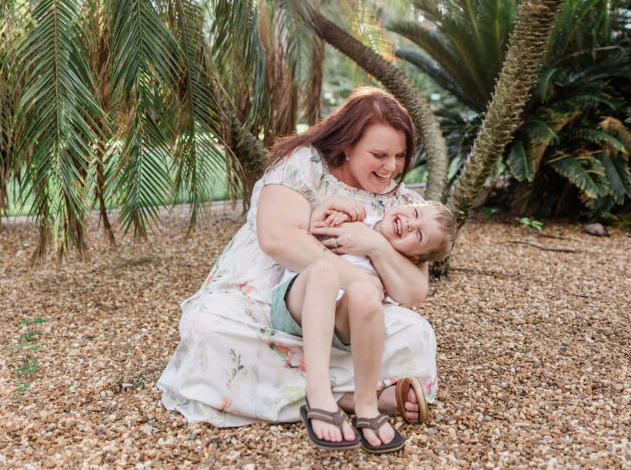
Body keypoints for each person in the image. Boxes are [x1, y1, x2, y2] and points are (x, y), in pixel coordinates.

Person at [158, 87, 440, 447]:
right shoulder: (304, 164)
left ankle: (328, 395)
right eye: (379, 154)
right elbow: (277, 239)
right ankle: (352, 397)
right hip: (274, 288)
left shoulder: (405, 205)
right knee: (210, 329)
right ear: (347, 146)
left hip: (352, 312)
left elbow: (413, 292)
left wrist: (372, 246)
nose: (390, 168)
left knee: (415, 334)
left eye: (400, 156)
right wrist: (355, 276)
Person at [267, 196, 456, 451]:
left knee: (367, 294)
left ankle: (366, 404)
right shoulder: (359, 217)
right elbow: (306, 233)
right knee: (325, 271)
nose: (411, 224)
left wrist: (376, 248)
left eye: (419, 235)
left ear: (414, 258)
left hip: (339, 325)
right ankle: (318, 393)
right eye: (414, 212)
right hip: (299, 304)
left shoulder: (394, 264)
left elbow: (412, 296)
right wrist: (326, 210)